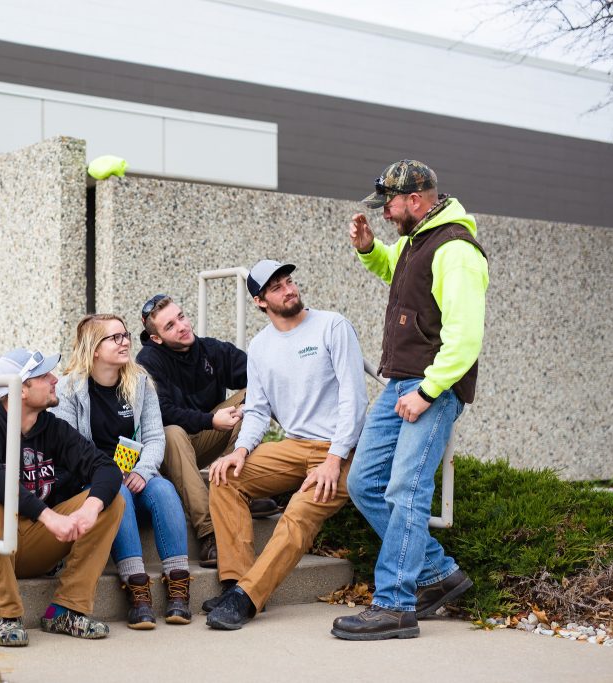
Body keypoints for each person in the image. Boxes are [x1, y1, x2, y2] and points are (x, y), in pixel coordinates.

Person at [332, 160, 488, 641]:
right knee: (363, 483)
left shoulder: (456, 250)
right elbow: (400, 278)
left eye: (390, 204)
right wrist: (368, 251)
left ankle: (395, 605)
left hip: (429, 389)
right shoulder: (417, 241)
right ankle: (438, 573)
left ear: (416, 201)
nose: (384, 212)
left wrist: (427, 391)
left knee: (406, 489)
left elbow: (465, 338)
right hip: (400, 382)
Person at [204, 259, 368, 630]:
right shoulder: (260, 347)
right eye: (276, 287)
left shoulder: (332, 326)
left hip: (341, 449)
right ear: (261, 301)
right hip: (295, 446)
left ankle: (246, 599)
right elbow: (258, 410)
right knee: (225, 478)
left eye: (289, 281)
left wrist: (335, 458)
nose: (289, 289)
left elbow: (355, 400)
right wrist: (240, 451)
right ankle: (237, 583)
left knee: (299, 512)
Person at [0, 348, 125, 647]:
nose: (55, 379)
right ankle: (6, 615)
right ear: (21, 389)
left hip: (26, 542)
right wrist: (48, 515)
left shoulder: (51, 427)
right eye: (44, 376)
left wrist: (90, 509)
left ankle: (67, 609)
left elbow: (105, 467)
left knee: (111, 501)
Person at [53, 314, 193, 629]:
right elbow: (67, 450)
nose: (125, 342)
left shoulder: (139, 381)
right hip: (94, 481)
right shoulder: (70, 389)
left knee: (164, 491)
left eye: (125, 335)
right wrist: (109, 477)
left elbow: (156, 438)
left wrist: (143, 470)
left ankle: (178, 587)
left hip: (135, 475)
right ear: (94, 348)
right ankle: (137, 589)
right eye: (114, 338)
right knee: (117, 495)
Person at [135, 294, 277, 569]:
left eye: (181, 317)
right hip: (165, 455)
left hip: (202, 442)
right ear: (157, 338)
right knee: (173, 432)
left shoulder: (211, 350)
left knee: (251, 397)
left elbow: (258, 375)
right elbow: (160, 411)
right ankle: (209, 534)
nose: (182, 326)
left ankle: (238, 489)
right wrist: (210, 421)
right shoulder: (148, 361)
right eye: (170, 326)